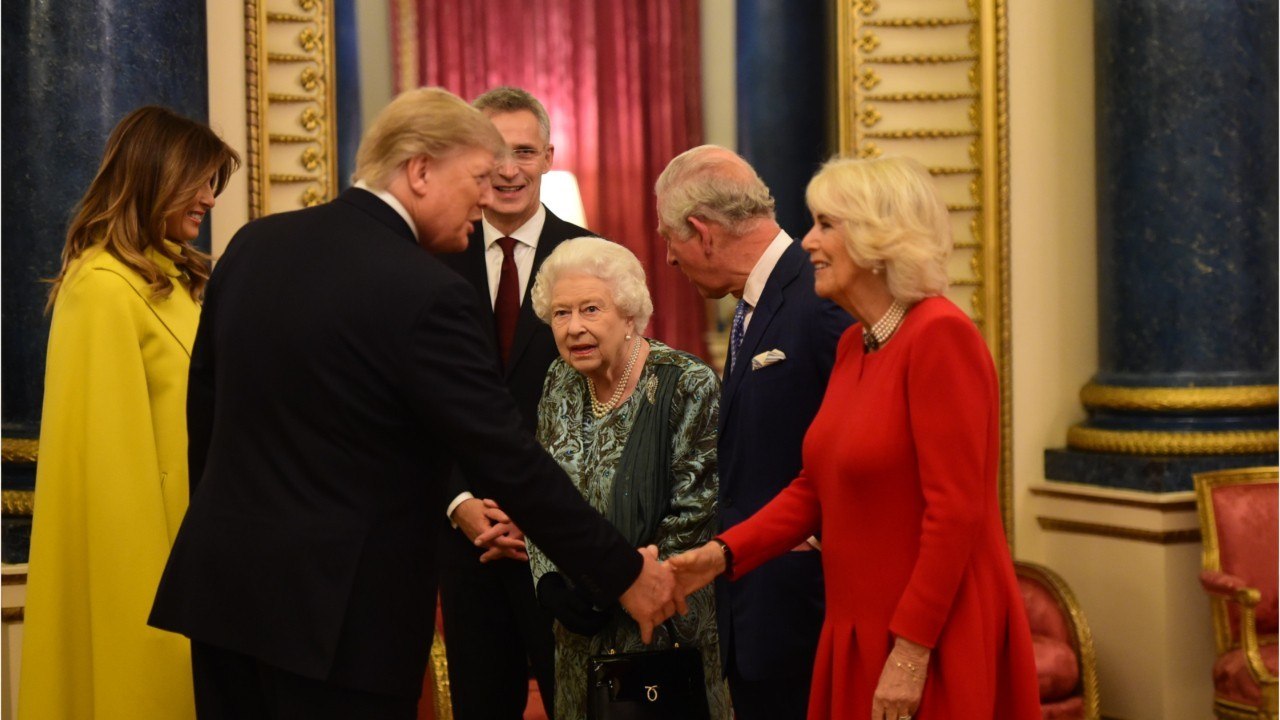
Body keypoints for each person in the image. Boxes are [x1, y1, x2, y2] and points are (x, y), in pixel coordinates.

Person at [147, 87, 677, 720]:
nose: (486, 198)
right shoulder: (424, 290)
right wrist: (623, 573)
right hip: (342, 619)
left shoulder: (251, 247)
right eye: (477, 178)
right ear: (420, 171)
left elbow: (204, 412)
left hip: (224, 597)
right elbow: (507, 457)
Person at [669, 156, 1041, 720]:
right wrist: (720, 556)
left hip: (929, 630)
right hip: (856, 627)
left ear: (878, 238)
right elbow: (811, 490)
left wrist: (912, 652)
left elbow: (956, 512)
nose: (809, 241)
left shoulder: (941, 337)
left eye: (825, 224)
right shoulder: (854, 346)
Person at [19, 106, 239, 720]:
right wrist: (151, 607)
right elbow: (112, 474)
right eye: (199, 182)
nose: (208, 199)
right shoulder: (101, 285)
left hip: (197, 555)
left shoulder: (173, 277)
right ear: (154, 176)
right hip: (146, 569)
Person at [654, 145, 851, 719]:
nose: (668, 257)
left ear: (702, 231)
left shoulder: (819, 299)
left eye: (670, 236)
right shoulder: (753, 306)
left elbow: (859, 449)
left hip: (806, 611)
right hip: (758, 609)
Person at [522, 236, 730, 720]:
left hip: (663, 626)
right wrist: (549, 581)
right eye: (560, 314)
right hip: (578, 633)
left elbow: (695, 513)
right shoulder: (559, 381)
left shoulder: (687, 384)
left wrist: (611, 582)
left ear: (630, 314)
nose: (574, 328)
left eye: (591, 309)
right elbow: (541, 491)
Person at [434, 86, 588, 719]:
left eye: (523, 151)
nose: (507, 169)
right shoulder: (429, 258)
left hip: (563, 537)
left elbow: (612, 402)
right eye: (492, 152)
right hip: (462, 534)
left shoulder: (592, 259)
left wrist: (537, 515)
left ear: (548, 157)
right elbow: (411, 403)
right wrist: (461, 502)